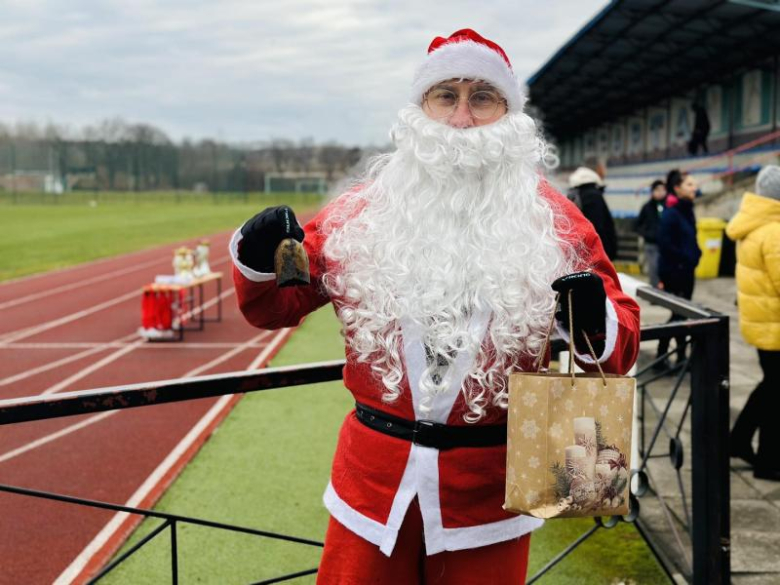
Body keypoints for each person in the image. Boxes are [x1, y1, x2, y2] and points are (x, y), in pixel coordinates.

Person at [231, 29, 641, 584]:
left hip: (489, 495)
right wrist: (258, 259)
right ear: (421, 109)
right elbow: (277, 306)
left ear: (509, 114)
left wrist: (597, 319)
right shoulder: (362, 212)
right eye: (446, 95)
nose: (463, 117)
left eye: (483, 97)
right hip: (372, 486)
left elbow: (618, 342)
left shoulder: (558, 221)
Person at [726, 165, 780, 480]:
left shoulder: (754, 224)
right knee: (776, 393)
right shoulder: (773, 230)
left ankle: (738, 439)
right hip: (774, 325)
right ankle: (769, 461)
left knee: (771, 385)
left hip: (762, 322)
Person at [655, 171, 702, 370]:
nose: (694, 188)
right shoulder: (671, 212)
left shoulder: (687, 210)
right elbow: (665, 244)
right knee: (678, 315)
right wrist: (686, 258)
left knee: (682, 315)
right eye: (689, 184)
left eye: (694, 184)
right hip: (674, 272)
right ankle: (664, 354)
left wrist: (696, 253)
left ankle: (680, 356)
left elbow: (690, 239)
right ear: (677, 188)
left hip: (687, 271)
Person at [567, 164, 618, 260]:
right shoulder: (593, 195)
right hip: (595, 250)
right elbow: (598, 226)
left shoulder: (574, 194)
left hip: (580, 248)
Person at [634, 179, 667, 288]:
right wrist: (647, 234)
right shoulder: (647, 207)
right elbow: (637, 225)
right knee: (653, 268)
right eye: (657, 190)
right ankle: (654, 292)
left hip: (666, 243)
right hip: (651, 244)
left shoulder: (669, 206)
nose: (660, 192)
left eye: (663, 190)